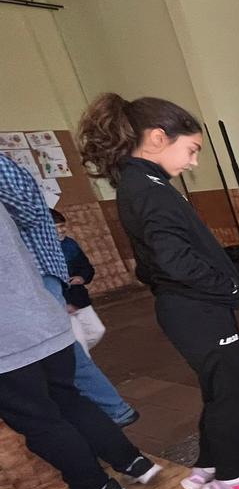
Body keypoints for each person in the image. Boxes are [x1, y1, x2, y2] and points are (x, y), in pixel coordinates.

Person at [77, 93, 239, 489]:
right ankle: (231, 480)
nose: (193, 162)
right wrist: (229, 287)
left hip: (187, 307)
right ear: (157, 138)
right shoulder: (147, 188)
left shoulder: (142, 183)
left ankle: (208, 464)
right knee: (230, 390)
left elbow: (157, 260)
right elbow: (173, 259)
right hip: (195, 308)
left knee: (219, 388)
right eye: (191, 150)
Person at [0, 203, 161, 489]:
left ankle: (94, 488)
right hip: (44, 319)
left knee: (38, 420)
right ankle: (131, 460)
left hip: (9, 340)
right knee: (68, 399)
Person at [0, 154, 137, 427]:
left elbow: (26, 212)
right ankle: (106, 410)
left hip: (33, 276)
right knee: (60, 352)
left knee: (62, 353)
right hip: (29, 279)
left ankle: (112, 410)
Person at [50, 210, 105, 356]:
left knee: (97, 331)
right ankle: (83, 365)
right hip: (61, 303)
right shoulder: (42, 250)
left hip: (78, 298)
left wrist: (81, 277)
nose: (62, 230)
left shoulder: (70, 244)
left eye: (62, 226)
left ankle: (77, 362)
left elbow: (86, 267)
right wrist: (63, 303)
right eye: (57, 227)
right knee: (80, 341)